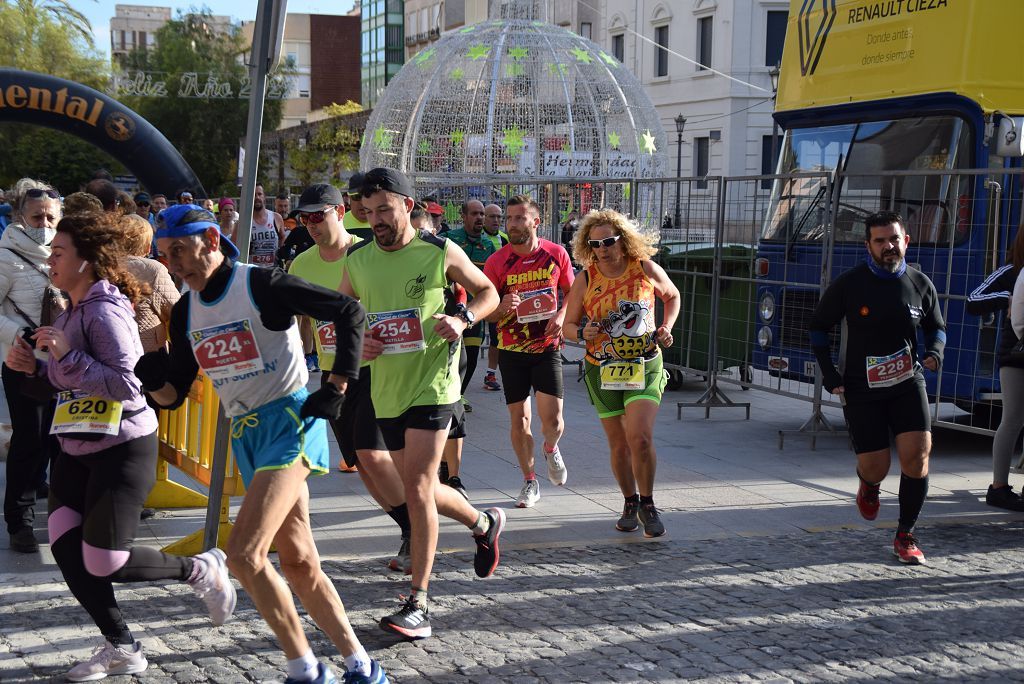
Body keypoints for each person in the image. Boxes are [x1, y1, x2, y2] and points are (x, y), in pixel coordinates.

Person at [136, 203, 388, 683]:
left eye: (182, 251)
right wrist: (152, 380)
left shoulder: (260, 284)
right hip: (246, 437)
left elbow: (348, 310)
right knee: (297, 562)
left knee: (245, 554)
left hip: (291, 424)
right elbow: (174, 395)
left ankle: (306, 669)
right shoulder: (187, 310)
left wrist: (336, 387)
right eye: (166, 255)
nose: (176, 265)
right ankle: (362, 665)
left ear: (212, 239)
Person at [5, 211, 236, 681]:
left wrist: (67, 357)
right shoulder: (70, 308)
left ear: (86, 261)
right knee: (69, 551)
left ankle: (201, 568)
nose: (50, 258)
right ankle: (122, 647)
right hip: (76, 446)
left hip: (122, 448)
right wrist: (28, 366)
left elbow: (126, 385)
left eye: (59, 252)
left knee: (104, 559)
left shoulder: (106, 309)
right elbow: (63, 384)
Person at [341, 167, 504, 639]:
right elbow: (342, 317)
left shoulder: (438, 251)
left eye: (384, 210)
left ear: (407, 207)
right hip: (386, 387)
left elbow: (489, 292)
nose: (375, 220)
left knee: (416, 486)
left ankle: (419, 602)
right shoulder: (359, 259)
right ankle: (482, 521)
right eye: (367, 212)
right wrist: (359, 344)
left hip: (434, 384)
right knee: (419, 487)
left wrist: (465, 319)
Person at [809, 210, 946, 565]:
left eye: (894, 239)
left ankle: (906, 535)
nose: (888, 246)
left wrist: (934, 353)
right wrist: (830, 375)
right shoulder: (851, 284)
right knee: (876, 466)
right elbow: (818, 329)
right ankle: (868, 486)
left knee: (918, 456)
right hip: (862, 387)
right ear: (868, 245)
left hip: (907, 381)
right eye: (880, 241)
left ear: (906, 241)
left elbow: (937, 328)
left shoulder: (919, 283)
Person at [287, 183, 411, 570]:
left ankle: (416, 528)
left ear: (340, 212)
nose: (310, 225)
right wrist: (300, 368)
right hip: (332, 373)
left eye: (317, 216)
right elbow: (301, 324)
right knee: (359, 460)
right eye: (304, 218)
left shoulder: (367, 250)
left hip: (377, 367)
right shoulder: (301, 264)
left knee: (373, 456)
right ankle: (414, 524)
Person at [563, 209, 680, 537]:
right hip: (602, 368)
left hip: (644, 363)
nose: (602, 248)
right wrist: (580, 333)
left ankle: (648, 502)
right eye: (595, 243)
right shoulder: (585, 278)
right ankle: (629, 501)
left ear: (623, 240)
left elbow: (672, 296)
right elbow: (567, 327)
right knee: (619, 444)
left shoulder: (643, 267)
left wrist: (666, 327)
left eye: (609, 241)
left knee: (639, 437)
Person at [483, 194, 574, 508]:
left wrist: (562, 317)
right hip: (511, 349)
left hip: (547, 347)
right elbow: (484, 308)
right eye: (509, 219)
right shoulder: (498, 261)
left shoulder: (556, 253)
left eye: (519, 218)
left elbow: (572, 293)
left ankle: (550, 448)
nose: (512, 225)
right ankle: (530, 481)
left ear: (536, 221)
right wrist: (500, 306)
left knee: (554, 421)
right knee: (520, 420)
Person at [0, 180, 62, 553]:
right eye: (37, 216)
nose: (44, 222)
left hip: (66, 363)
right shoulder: (5, 256)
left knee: (61, 440)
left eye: (50, 217)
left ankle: (62, 515)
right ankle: (19, 521)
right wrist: (20, 333)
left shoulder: (65, 251)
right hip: (23, 362)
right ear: (21, 216)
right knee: (29, 439)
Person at [968, 225, 1024, 511]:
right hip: (1016, 355)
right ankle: (998, 487)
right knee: (1012, 419)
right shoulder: (1011, 271)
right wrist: (1008, 299)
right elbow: (973, 299)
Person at [446, 200, 501, 410]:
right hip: (451, 309)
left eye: (482, 214)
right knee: (453, 356)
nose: (480, 218)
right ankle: (450, 396)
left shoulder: (489, 244)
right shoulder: (450, 239)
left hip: (475, 310)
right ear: (464, 216)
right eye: (475, 214)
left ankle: (459, 395)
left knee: (471, 358)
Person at [118, 214, 180, 354]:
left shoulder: (102, 266)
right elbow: (177, 310)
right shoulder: (153, 270)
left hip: (109, 351)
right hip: (146, 355)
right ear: (147, 246)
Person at [481, 203, 507, 391]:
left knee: (497, 337)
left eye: (499, 217)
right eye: (492, 216)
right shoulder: (476, 238)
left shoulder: (505, 239)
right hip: (477, 295)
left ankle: (491, 374)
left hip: (500, 296)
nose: (496, 220)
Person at [248, 184, 285, 266]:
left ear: (264, 196)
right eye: (254, 195)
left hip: (272, 271)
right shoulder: (244, 221)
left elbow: (282, 236)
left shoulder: (276, 217)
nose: (257, 197)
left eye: (259, 194)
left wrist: (278, 252)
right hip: (253, 271)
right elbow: (235, 246)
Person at [342, 173, 373, 242]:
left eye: (367, 196)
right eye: (357, 197)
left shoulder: (386, 222)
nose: (362, 203)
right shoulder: (338, 223)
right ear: (349, 197)